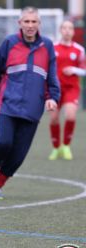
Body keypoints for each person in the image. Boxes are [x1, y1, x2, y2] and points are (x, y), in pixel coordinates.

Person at [0, 6, 60, 199]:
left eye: (34, 22)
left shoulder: (47, 46)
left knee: (19, 154)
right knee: (4, 143)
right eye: (26, 21)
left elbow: (51, 76)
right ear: (19, 23)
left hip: (33, 108)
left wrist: (52, 98)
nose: (30, 25)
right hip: (8, 104)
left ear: (39, 24)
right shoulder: (9, 42)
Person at [48, 20, 85, 161]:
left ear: (74, 32)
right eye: (64, 28)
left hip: (71, 88)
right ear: (60, 30)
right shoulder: (52, 47)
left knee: (70, 116)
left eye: (70, 28)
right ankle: (56, 148)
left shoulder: (79, 50)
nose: (67, 31)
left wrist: (74, 70)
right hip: (55, 89)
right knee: (53, 118)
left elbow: (84, 70)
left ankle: (66, 146)